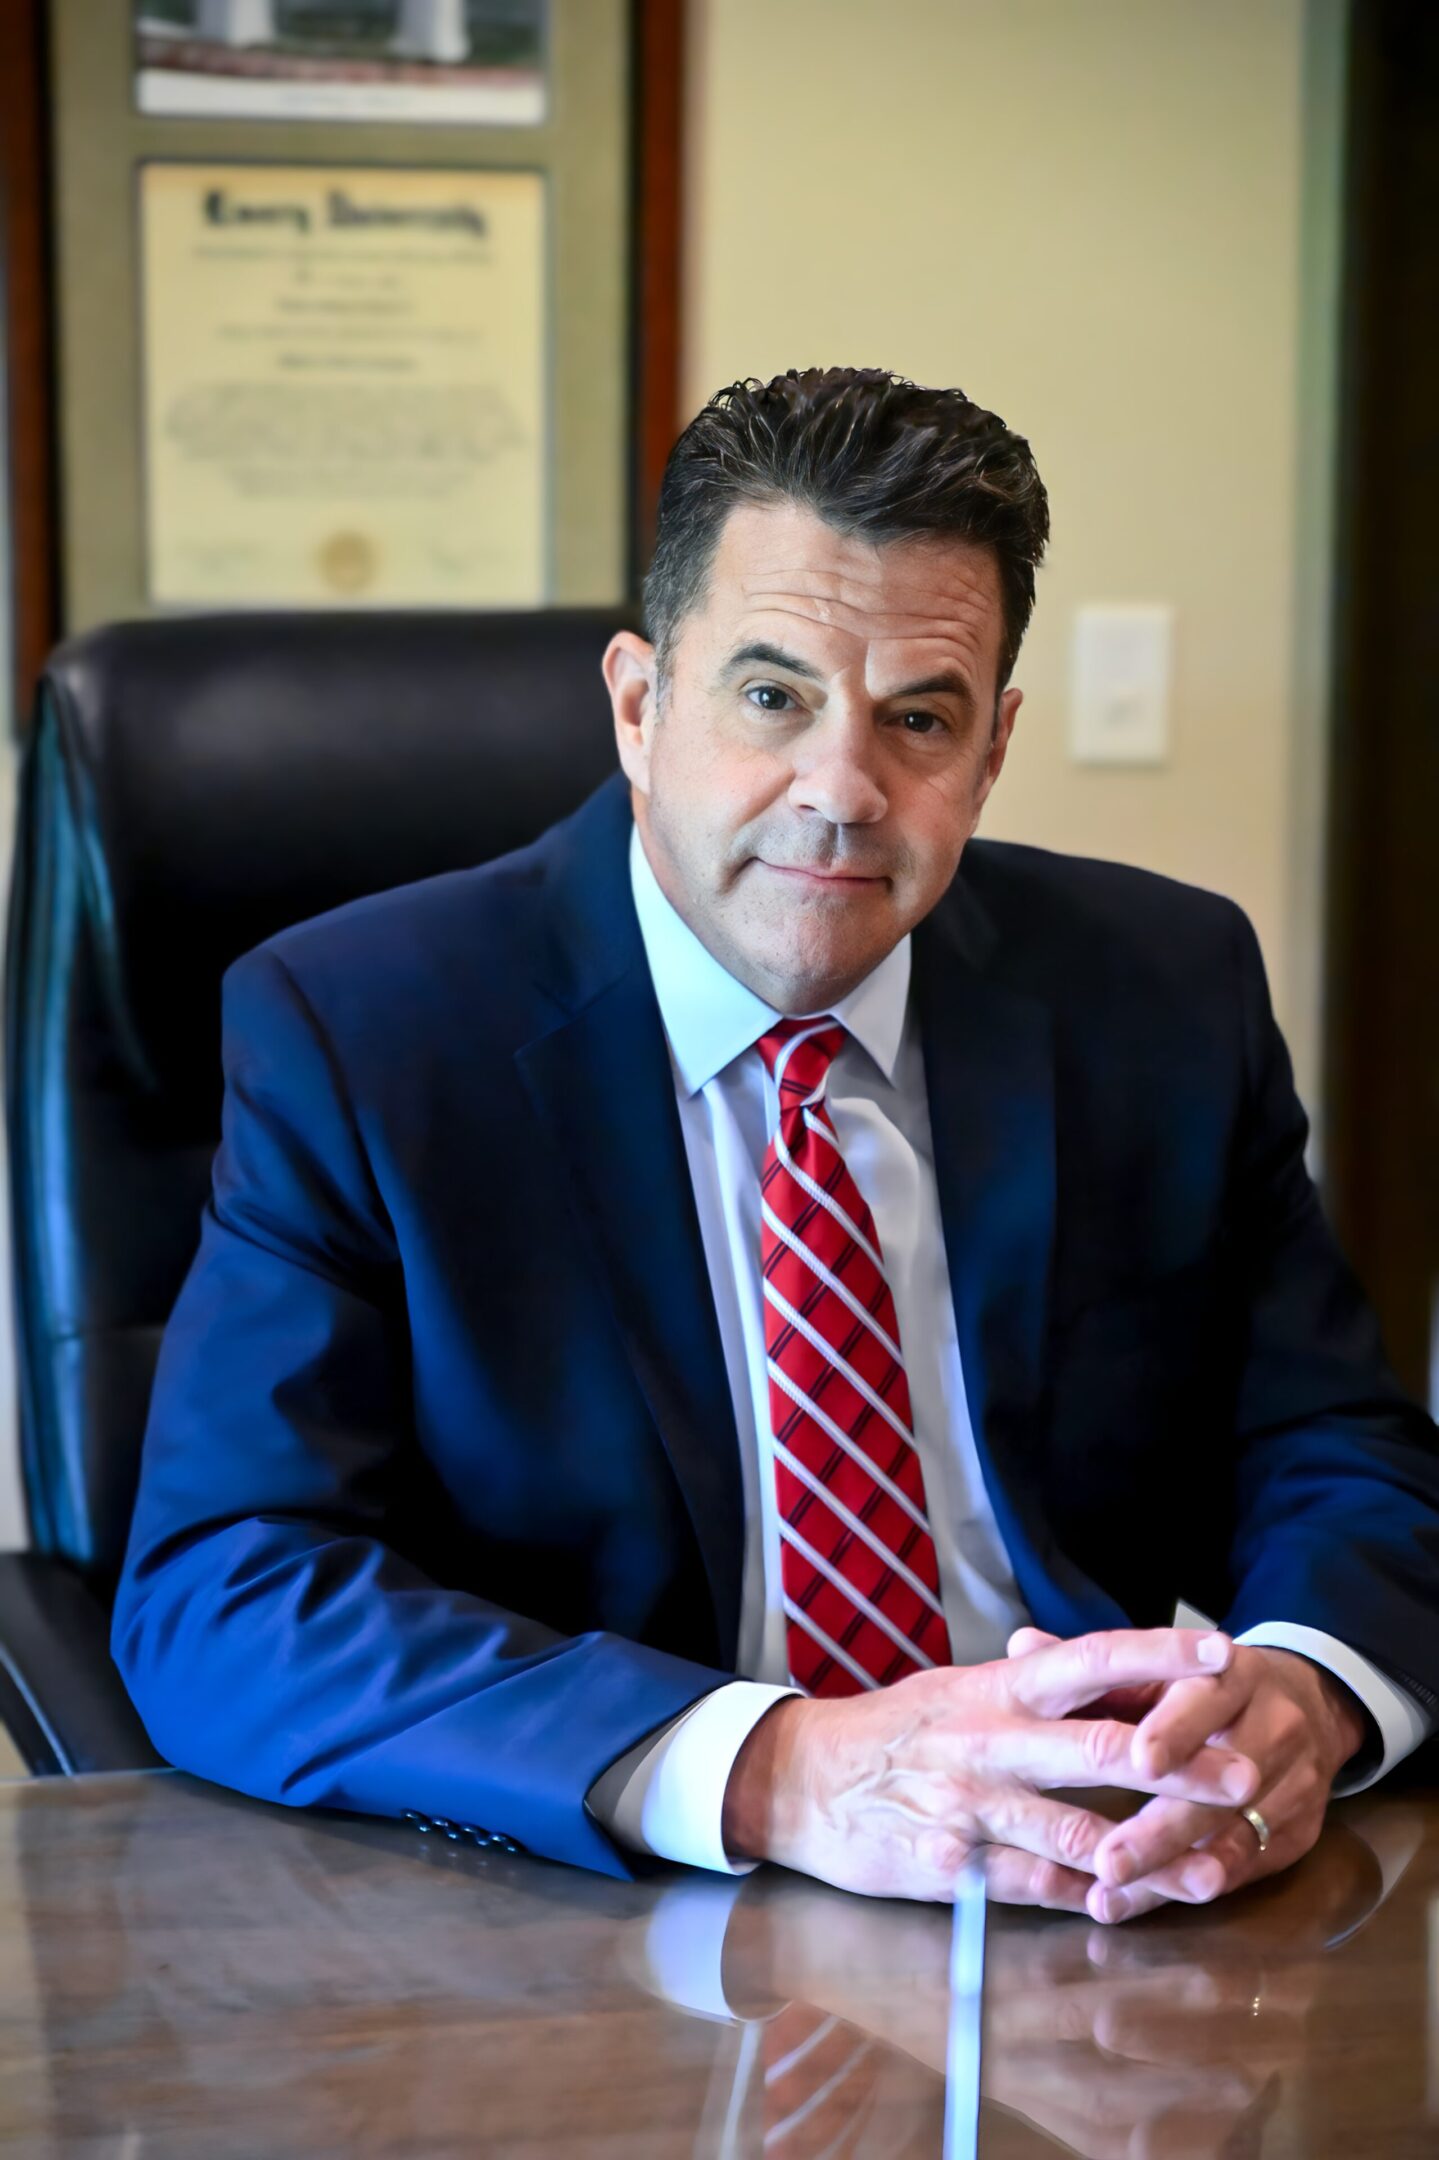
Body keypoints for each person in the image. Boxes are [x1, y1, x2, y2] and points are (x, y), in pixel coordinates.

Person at [112, 367, 1439, 1926]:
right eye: (772, 694)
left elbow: (1340, 1448)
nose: (843, 792)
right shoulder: (366, 1031)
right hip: (615, 1915)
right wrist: (780, 1769)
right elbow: (228, 1586)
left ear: (994, 749)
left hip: (1107, 1888)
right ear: (637, 702)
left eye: (920, 720)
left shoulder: (1161, 989)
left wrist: (1305, 1690)